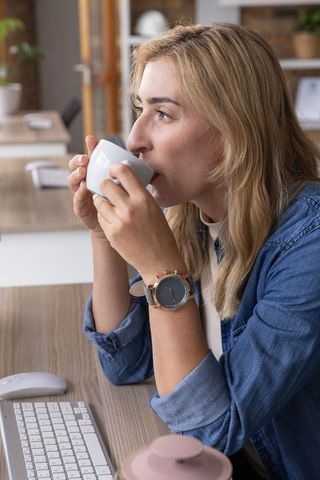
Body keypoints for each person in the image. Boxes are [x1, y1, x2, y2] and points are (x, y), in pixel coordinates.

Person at [68, 23, 320, 480]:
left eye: (163, 114)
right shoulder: (190, 218)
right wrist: (102, 233)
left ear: (234, 128)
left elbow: (210, 431)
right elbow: (126, 363)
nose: (136, 138)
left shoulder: (310, 242)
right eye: (140, 109)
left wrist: (163, 271)